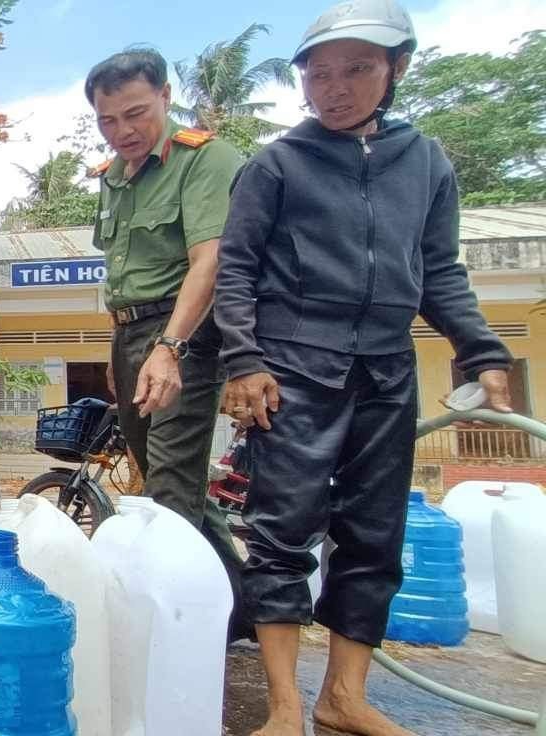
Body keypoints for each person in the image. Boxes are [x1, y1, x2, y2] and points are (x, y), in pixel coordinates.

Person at [213, 2, 514, 734]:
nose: (335, 87)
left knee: (374, 536)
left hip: (386, 369)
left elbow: (440, 271)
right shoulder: (277, 163)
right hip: (293, 370)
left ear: (397, 69)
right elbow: (236, 270)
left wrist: (483, 351)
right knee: (282, 532)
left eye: (357, 69)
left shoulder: (427, 162)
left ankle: (343, 697)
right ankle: (285, 704)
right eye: (319, 73)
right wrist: (246, 360)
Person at [83, 46, 250, 641]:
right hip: (132, 335)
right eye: (108, 120)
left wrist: (170, 349)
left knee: (169, 489)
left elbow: (210, 260)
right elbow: (121, 275)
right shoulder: (113, 179)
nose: (123, 131)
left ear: (164, 97)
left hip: (186, 334)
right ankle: (245, 608)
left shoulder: (204, 160)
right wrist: (119, 352)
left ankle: (172, 632)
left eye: (135, 113)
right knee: (161, 470)